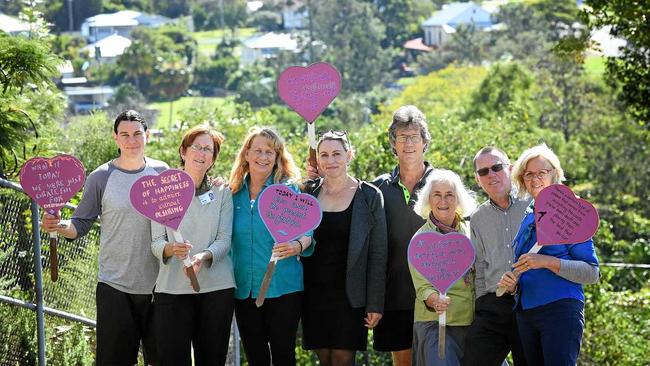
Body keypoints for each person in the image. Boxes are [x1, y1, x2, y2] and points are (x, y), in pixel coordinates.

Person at [42, 110, 166, 365]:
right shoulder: (101, 176)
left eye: (137, 134)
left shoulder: (162, 173)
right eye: (125, 135)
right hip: (115, 287)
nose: (132, 140)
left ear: (148, 136)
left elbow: (180, 212)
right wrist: (59, 225)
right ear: (115, 138)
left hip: (160, 286)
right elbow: (81, 222)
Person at [498, 144, 599, 366]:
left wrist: (547, 262)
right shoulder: (528, 215)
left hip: (559, 310)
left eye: (541, 172)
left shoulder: (571, 214)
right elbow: (527, 267)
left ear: (555, 173)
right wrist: (514, 284)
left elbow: (592, 272)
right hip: (526, 313)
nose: (535, 179)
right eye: (529, 174)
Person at [229, 126, 313, 366]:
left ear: (278, 158)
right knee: (255, 357)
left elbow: (308, 231)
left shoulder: (288, 191)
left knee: (283, 355)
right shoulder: (232, 194)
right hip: (245, 288)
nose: (263, 157)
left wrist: (298, 245)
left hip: (283, 288)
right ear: (246, 154)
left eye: (270, 152)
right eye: (258, 151)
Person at [150, 125, 234, 365]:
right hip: (172, 290)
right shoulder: (162, 189)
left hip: (216, 290)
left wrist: (202, 257)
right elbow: (156, 243)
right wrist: (170, 249)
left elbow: (224, 240)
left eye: (208, 149)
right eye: (196, 146)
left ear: (213, 159)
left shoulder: (222, 191)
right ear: (183, 151)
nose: (202, 153)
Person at [302, 130, 387, 366]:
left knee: (342, 359)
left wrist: (375, 303)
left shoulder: (369, 196)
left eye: (337, 154)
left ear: (349, 155)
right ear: (317, 159)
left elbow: (378, 253)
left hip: (351, 296)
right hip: (313, 293)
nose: (331, 161)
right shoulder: (308, 193)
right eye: (325, 155)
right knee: (324, 358)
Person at [372, 105, 434, 366]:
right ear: (393, 144)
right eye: (402, 137)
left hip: (436, 292)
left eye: (414, 137)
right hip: (395, 294)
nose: (408, 143)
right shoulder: (377, 188)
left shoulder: (441, 183)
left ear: (424, 142)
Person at [462, 147, 529, 366]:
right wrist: (482, 301)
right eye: (483, 172)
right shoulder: (478, 218)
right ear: (477, 179)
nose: (491, 175)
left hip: (530, 301)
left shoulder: (533, 205)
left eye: (497, 167)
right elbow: (479, 265)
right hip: (493, 305)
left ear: (510, 169)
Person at [409, 169, 478, 366]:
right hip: (435, 324)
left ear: (458, 200)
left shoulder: (471, 233)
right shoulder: (420, 240)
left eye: (449, 195)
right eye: (437, 195)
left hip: (471, 323)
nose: (443, 201)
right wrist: (434, 300)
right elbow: (422, 287)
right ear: (428, 200)